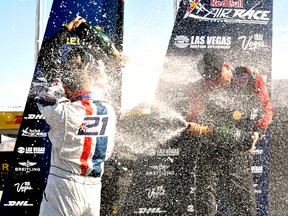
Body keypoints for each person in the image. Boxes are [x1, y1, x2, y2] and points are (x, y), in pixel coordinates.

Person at [36, 16, 119, 216]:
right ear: (89, 80)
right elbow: (105, 67)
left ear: (64, 87)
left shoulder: (61, 110)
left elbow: (46, 58)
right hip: (93, 190)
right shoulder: (108, 107)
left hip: (64, 188)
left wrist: (66, 29)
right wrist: (90, 32)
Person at [186, 52, 273, 216]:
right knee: (204, 203)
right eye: (211, 80)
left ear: (226, 65)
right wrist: (193, 125)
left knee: (244, 205)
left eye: (218, 76)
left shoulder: (249, 76)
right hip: (210, 147)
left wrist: (258, 132)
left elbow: (266, 107)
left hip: (237, 148)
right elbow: (192, 117)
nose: (216, 82)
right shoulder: (200, 86)